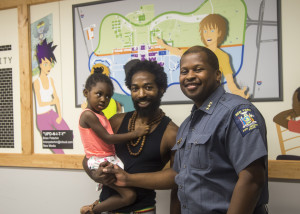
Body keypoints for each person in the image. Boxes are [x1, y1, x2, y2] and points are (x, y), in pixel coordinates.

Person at [103, 46, 268, 214]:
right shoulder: (188, 125)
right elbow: (178, 176)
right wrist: (123, 178)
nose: (190, 76)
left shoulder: (236, 111)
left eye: (198, 69)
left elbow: (252, 178)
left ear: (217, 75)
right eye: (184, 71)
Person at [82, 59, 179, 214]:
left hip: (142, 210)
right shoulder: (115, 121)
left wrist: (129, 179)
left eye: (148, 87)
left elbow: (176, 178)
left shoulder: (171, 133)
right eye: (135, 88)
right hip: (106, 207)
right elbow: (89, 157)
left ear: (161, 89)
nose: (141, 94)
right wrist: (95, 175)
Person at [79, 70, 150, 214]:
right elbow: (108, 138)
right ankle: (92, 211)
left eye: (108, 96)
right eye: (99, 94)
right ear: (86, 93)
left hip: (108, 157)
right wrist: (136, 133)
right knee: (129, 195)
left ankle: (96, 206)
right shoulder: (88, 115)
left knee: (124, 189)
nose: (103, 99)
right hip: (100, 160)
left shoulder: (100, 114)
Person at [156, 13, 249, 99]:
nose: (190, 76)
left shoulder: (223, 56)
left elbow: (230, 81)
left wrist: (236, 92)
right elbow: (178, 51)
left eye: (212, 30)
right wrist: (164, 45)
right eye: (205, 31)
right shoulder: (195, 53)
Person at [33, 39, 70, 154]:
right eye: (45, 64)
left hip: (51, 113)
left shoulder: (51, 80)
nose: (48, 66)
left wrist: (59, 115)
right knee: (58, 151)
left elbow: (57, 99)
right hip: (42, 118)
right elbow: (40, 102)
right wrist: (52, 102)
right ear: (40, 65)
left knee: (69, 134)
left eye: (49, 64)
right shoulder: (36, 82)